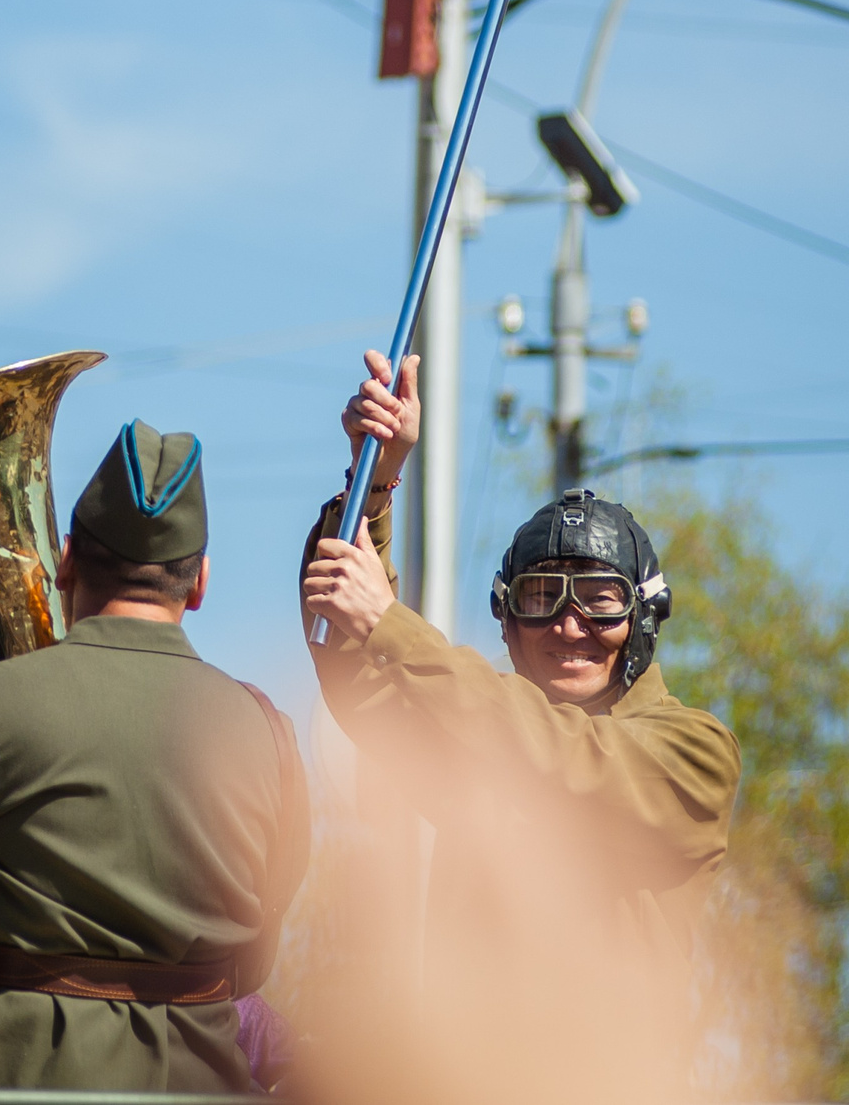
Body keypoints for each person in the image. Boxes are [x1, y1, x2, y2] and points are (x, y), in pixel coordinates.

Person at [299, 355, 740, 1080]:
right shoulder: (479, 745)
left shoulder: (698, 754)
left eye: (600, 600)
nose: (568, 624)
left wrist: (392, 625)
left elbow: (569, 757)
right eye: (540, 598)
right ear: (506, 623)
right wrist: (374, 483)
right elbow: (358, 672)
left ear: (644, 620)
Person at [0, 422, 311, 1093]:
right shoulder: (271, 733)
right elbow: (252, 966)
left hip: (15, 1082)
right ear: (199, 584)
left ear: (65, 561)